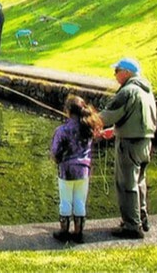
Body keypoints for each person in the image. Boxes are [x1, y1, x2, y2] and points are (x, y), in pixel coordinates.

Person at [99, 58, 157, 240]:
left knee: (127, 184)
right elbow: (136, 118)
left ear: (126, 72)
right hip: (146, 143)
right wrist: (115, 131)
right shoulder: (146, 90)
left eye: (116, 70)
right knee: (139, 182)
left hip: (129, 144)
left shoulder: (127, 91)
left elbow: (107, 115)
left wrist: (86, 122)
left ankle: (132, 226)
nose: (114, 74)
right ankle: (142, 218)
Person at [50, 95, 103, 243]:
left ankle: (64, 232)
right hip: (84, 170)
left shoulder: (62, 130)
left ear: (68, 111)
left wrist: (57, 160)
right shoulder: (88, 128)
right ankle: (78, 233)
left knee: (65, 201)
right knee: (80, 201)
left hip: (66, 171)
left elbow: (55, 152)